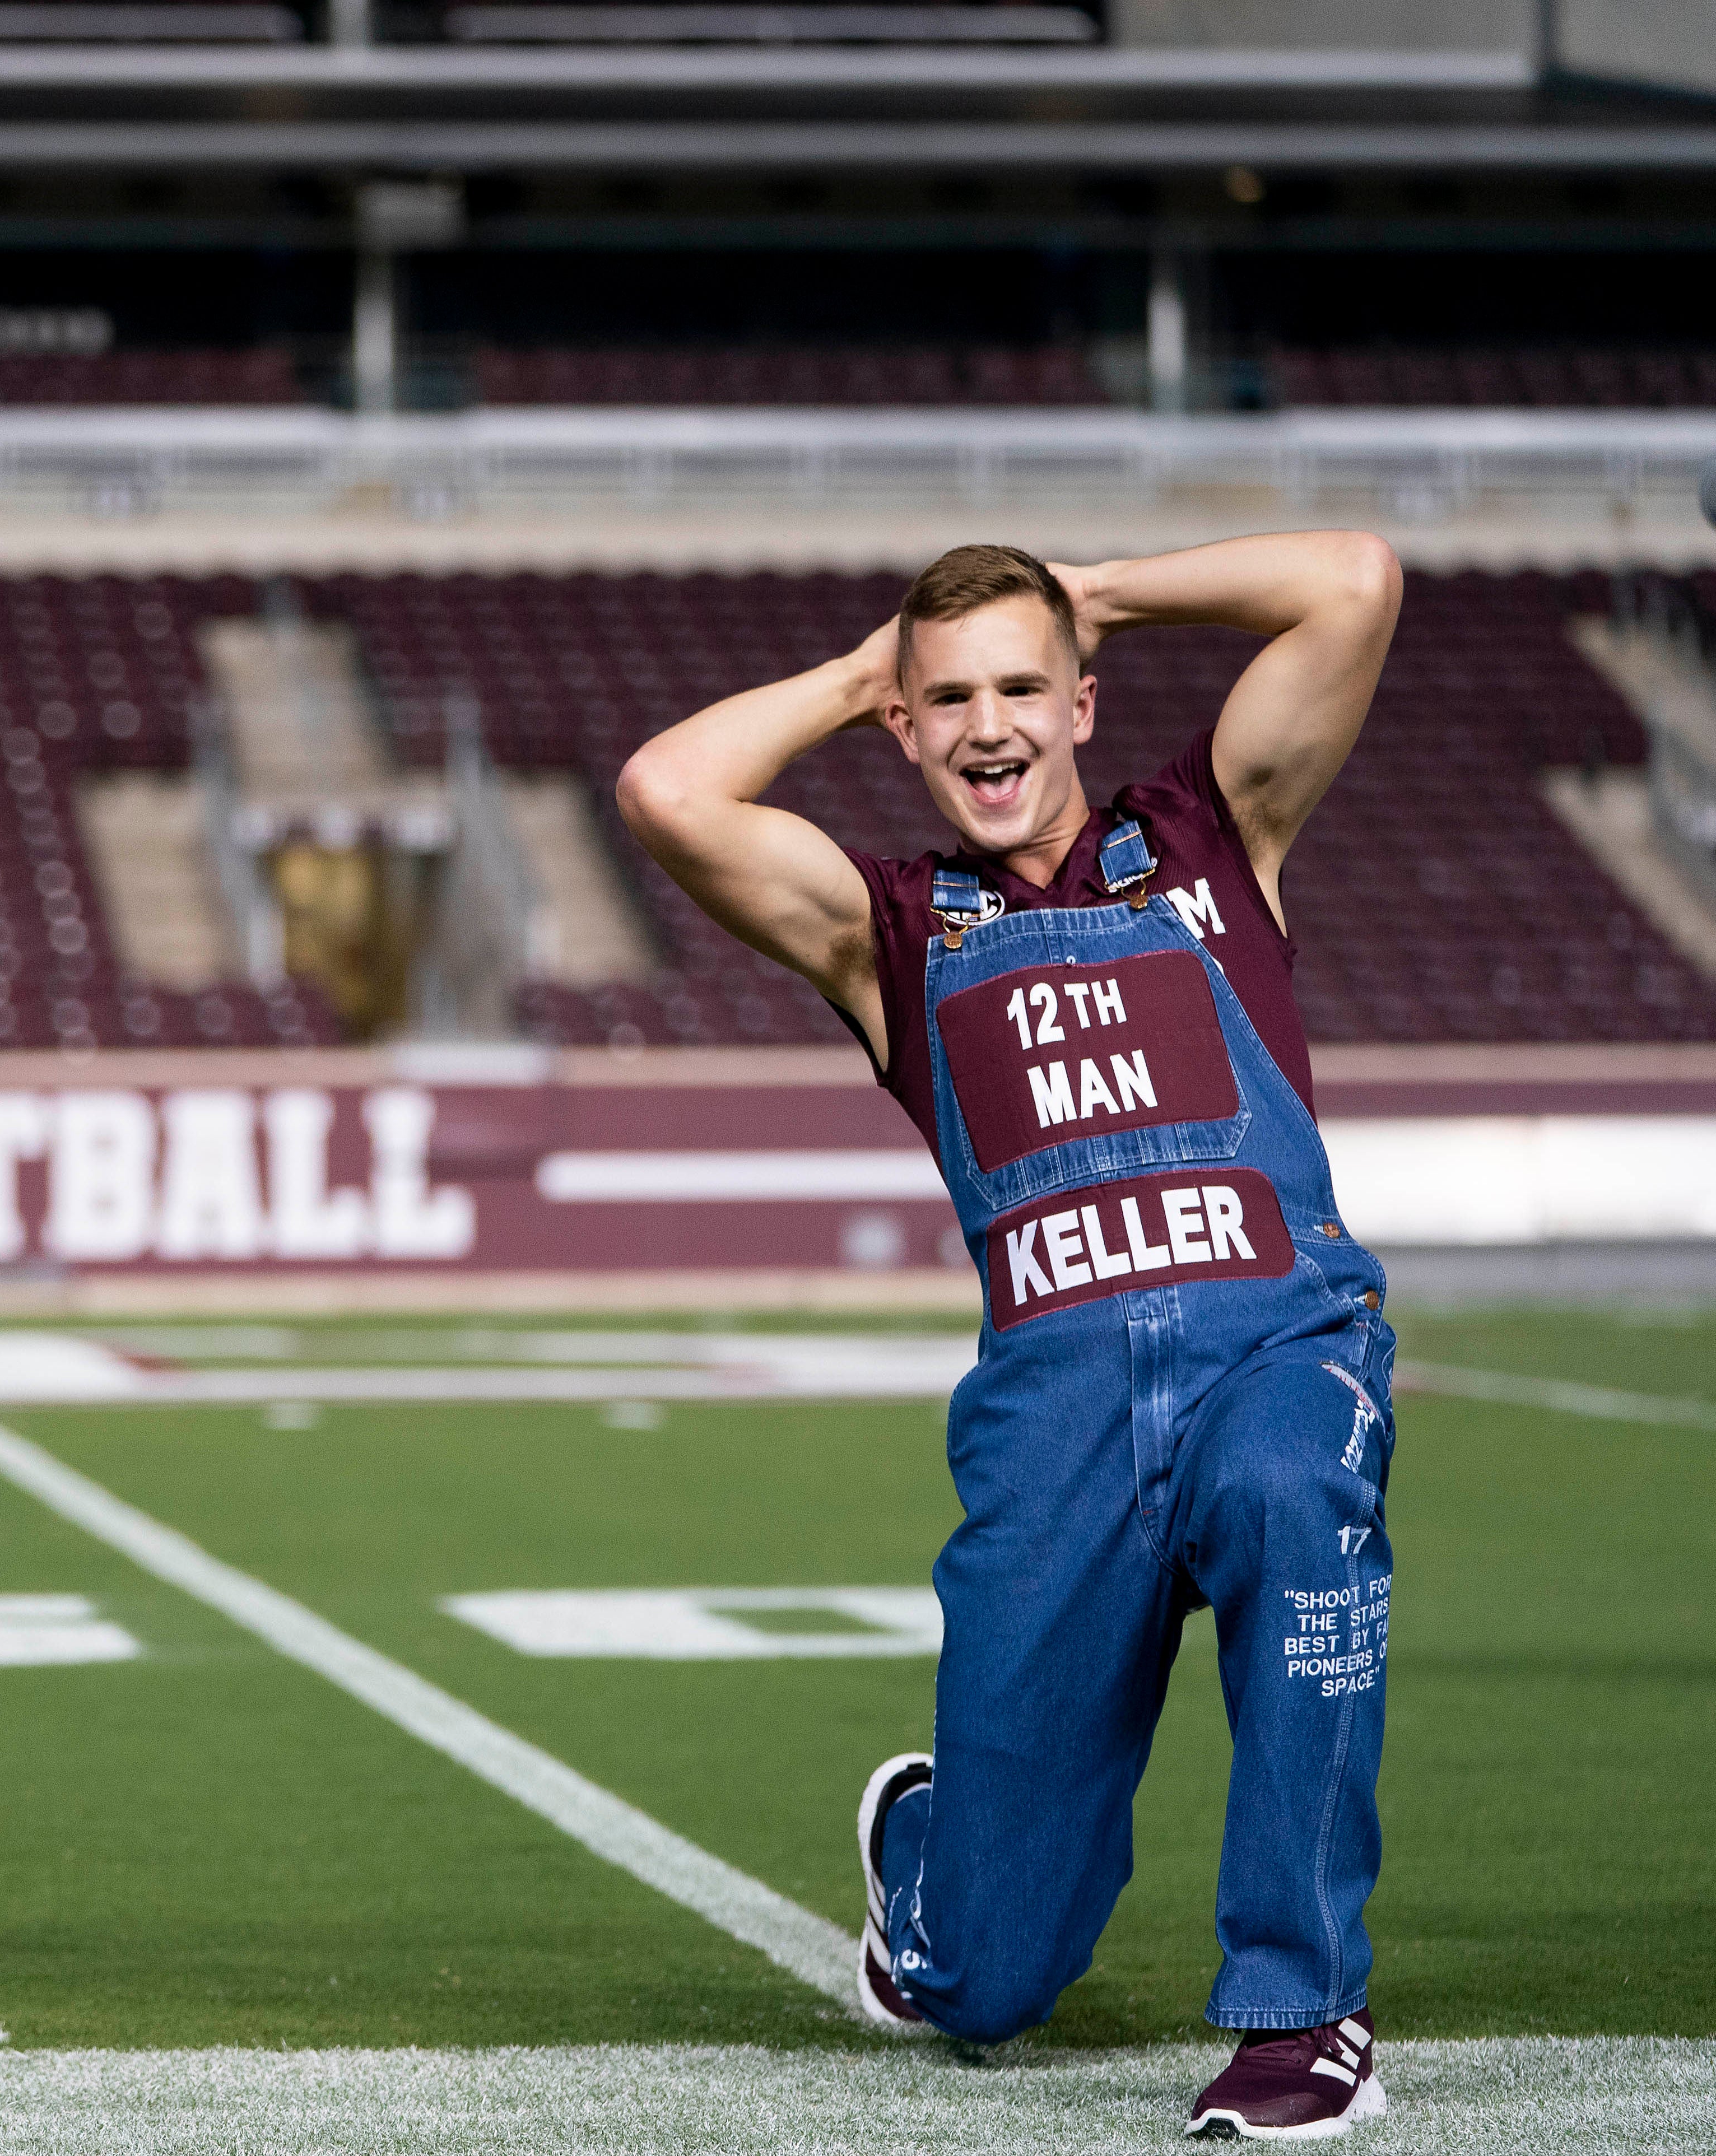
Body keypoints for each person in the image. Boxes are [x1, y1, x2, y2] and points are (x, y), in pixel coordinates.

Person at [616, 534, 1406, 2140]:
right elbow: (667, 793)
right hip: (1056, 1426)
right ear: (904, 730)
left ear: (1085, 702)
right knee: (982, 1988)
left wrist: (1093, 584)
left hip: (1279, 1347)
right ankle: (939, 1855)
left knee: (1294, 1504)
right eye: (950, 699)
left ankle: (1302, 2010)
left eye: (1026, 686)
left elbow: (1356, 581)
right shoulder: (891, 932)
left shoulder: (1212, 831)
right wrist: (860, 676)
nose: (992, 724)